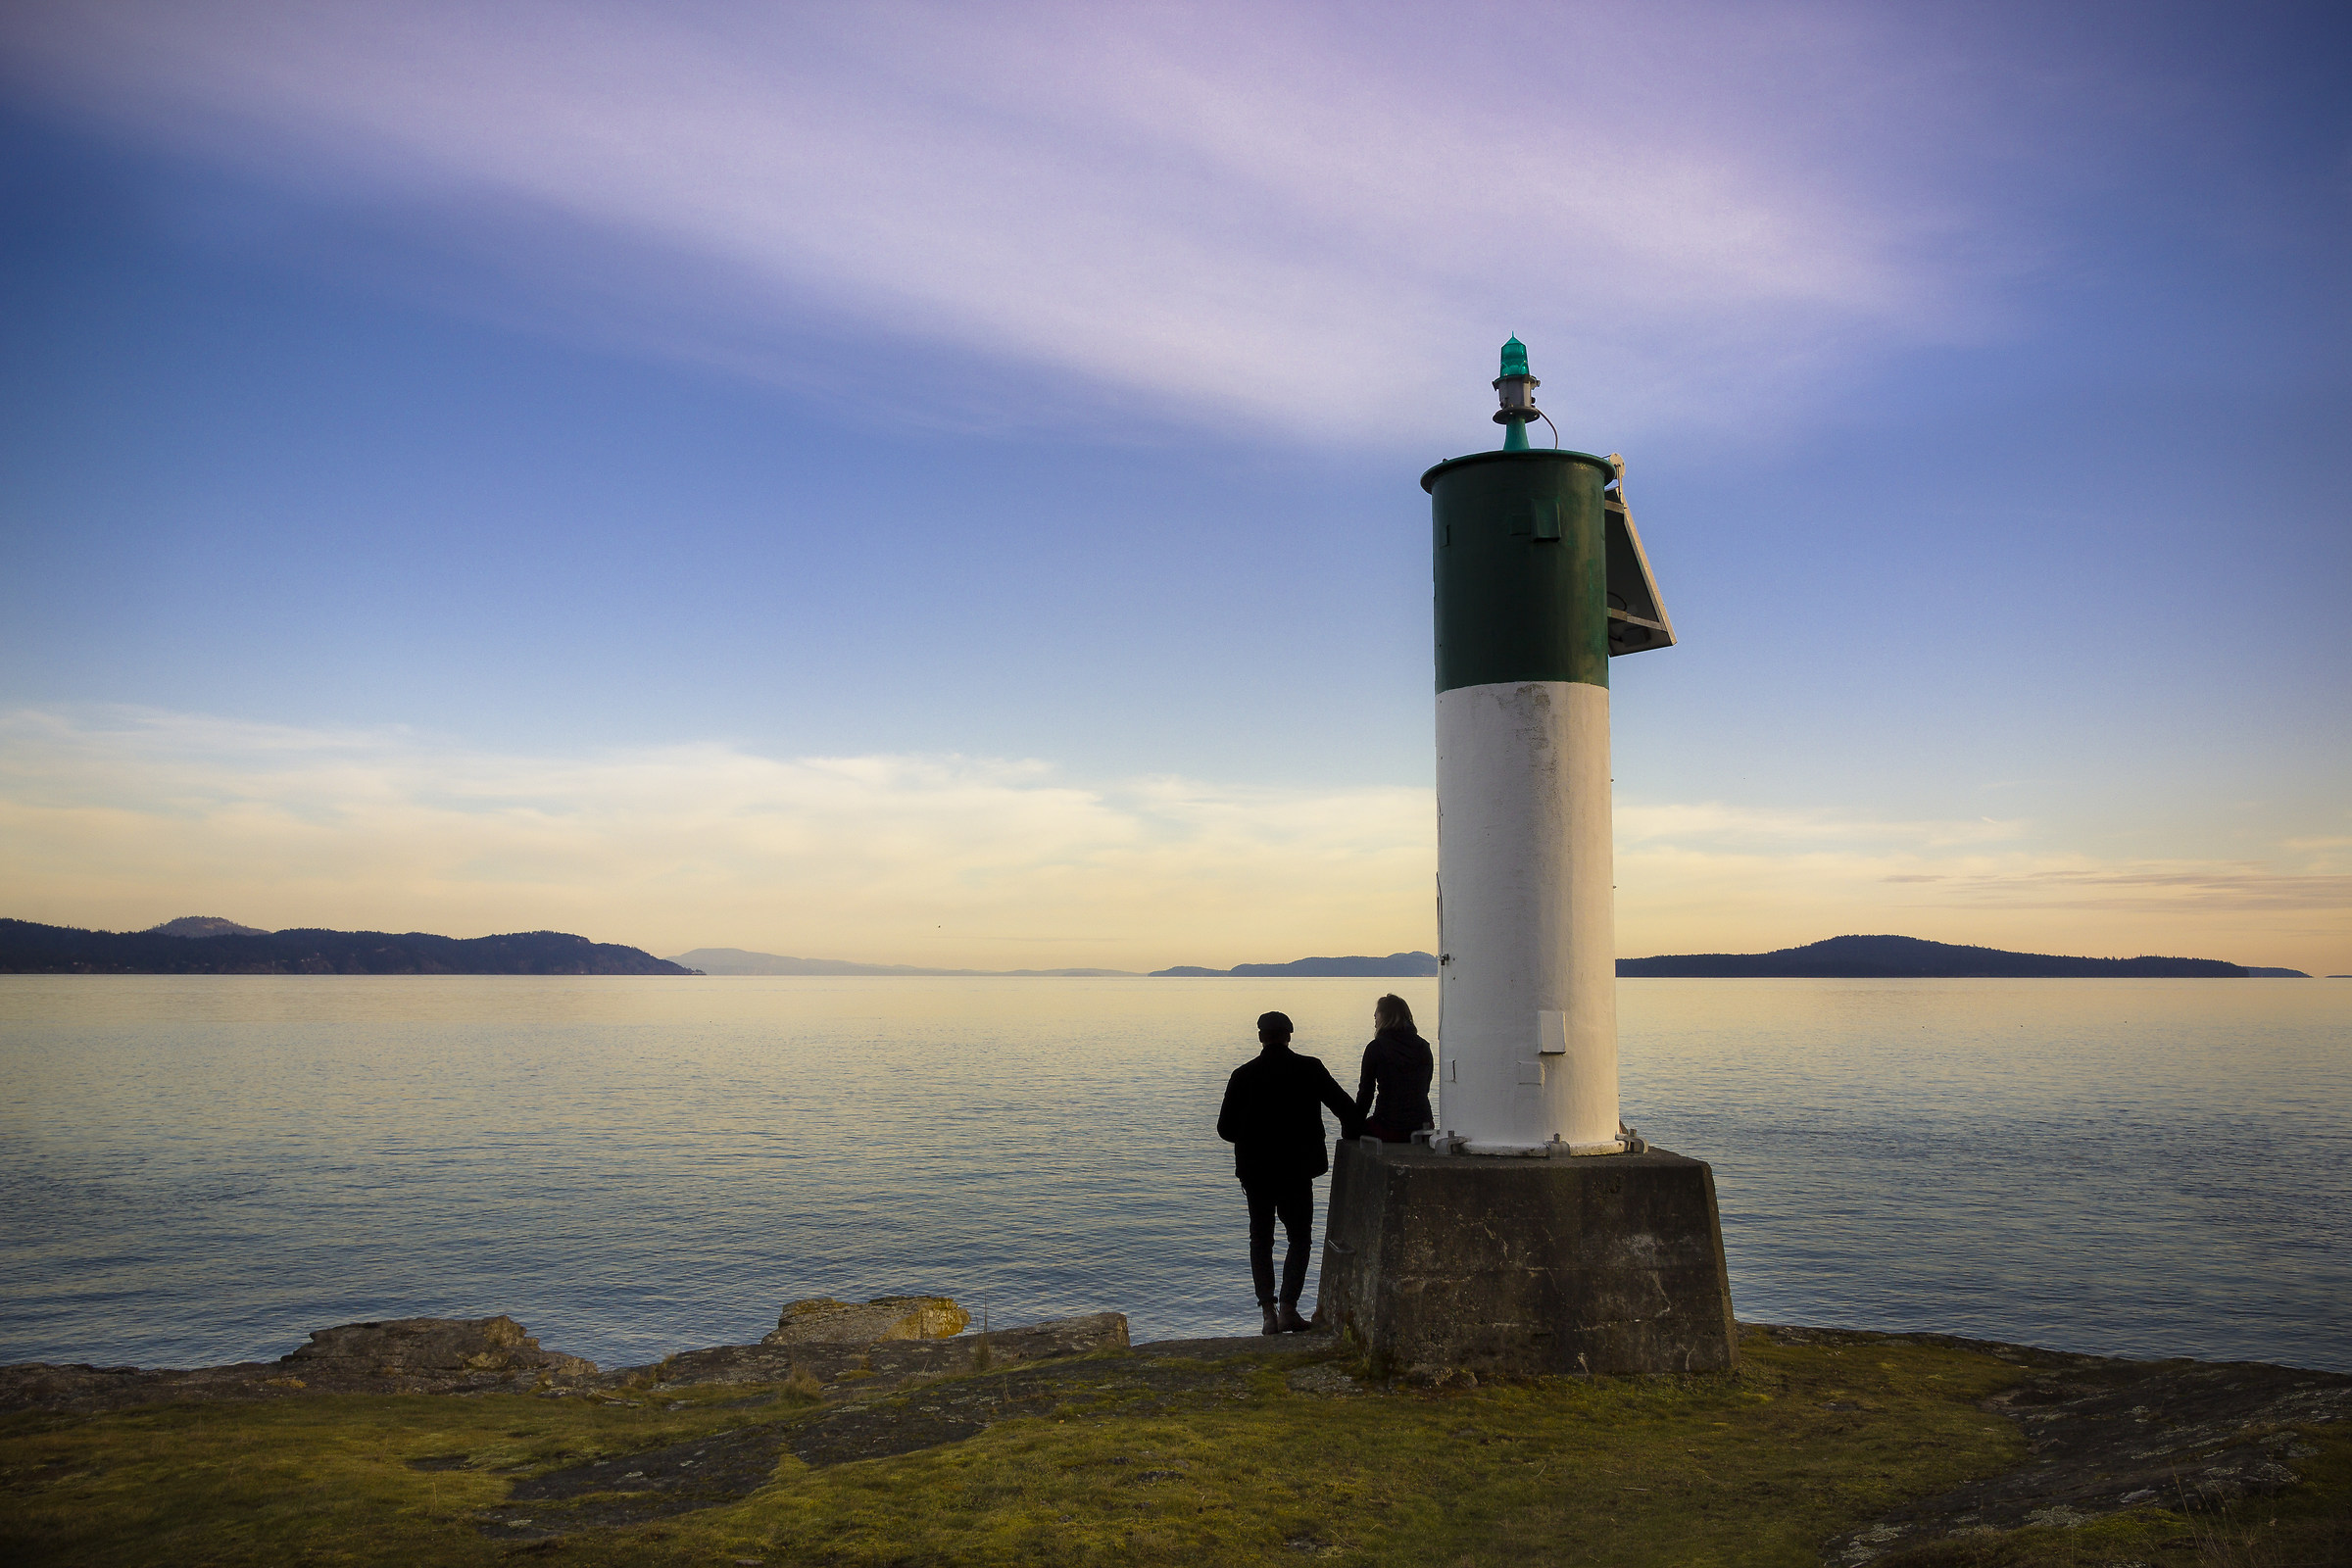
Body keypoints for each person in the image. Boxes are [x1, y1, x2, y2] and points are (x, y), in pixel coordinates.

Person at [1216, 1010, 1362, 1335]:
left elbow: (1224, 1129)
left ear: (1260, 1037)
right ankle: (1289, 1309)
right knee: (1299, 1238)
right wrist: (1357, 1133)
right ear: (1289, 1035)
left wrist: (1252, 1138)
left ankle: (1268, 1314)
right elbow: (1346, 1109)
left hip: (1256, 1173)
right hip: (1297, 1171)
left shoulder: (1242, 1075)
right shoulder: (1310, 1068)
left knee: (1261, 1239)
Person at [1354, 993, 1435, 1143]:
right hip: (1423, 1126)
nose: (1374, 1019)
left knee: (1353, 1132)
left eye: (1376, 1015)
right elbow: (1425, 1087)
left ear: (1385, 1017)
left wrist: (1354, 1124)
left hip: (1389, 1126)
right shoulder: (1424, 1046)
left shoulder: (1376, 1047)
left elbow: (1366, 1092)